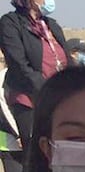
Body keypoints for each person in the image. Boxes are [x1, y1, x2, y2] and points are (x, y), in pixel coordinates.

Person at [0, 0, 66, 153]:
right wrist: (45, 89)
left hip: (58, 98)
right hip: (29, 98)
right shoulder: (10, 22)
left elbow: (66, 56)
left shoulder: (52, 25)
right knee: (35, 154)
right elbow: (18, 63)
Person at [0, 67, 22, 172]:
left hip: (15, 138)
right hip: (9, 140)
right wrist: (19, 134)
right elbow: (5, 109)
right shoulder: (5, 77)